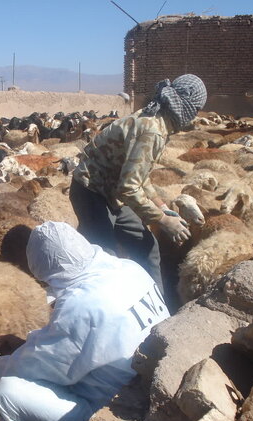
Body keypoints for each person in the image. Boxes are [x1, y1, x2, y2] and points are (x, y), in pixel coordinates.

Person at [0, 221, 169, 421]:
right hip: (152, 386)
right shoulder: (128, 268)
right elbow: (85, 342)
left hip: (118, 412)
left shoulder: (81, 304)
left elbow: (35, 370)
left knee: (8, 393)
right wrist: (25, 343)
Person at [69, 74, 207, 291]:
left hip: (113, 194)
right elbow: (129, 187)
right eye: (197, 109)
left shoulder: (159, 123)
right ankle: (103, 307)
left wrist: (161, 207)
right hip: (91, 192)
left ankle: (155, 307)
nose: (195, 115)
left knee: (147, 247)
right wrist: (162, 220)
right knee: (105, 256)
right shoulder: (152, 130)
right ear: (188, 107)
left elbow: (139, 177)